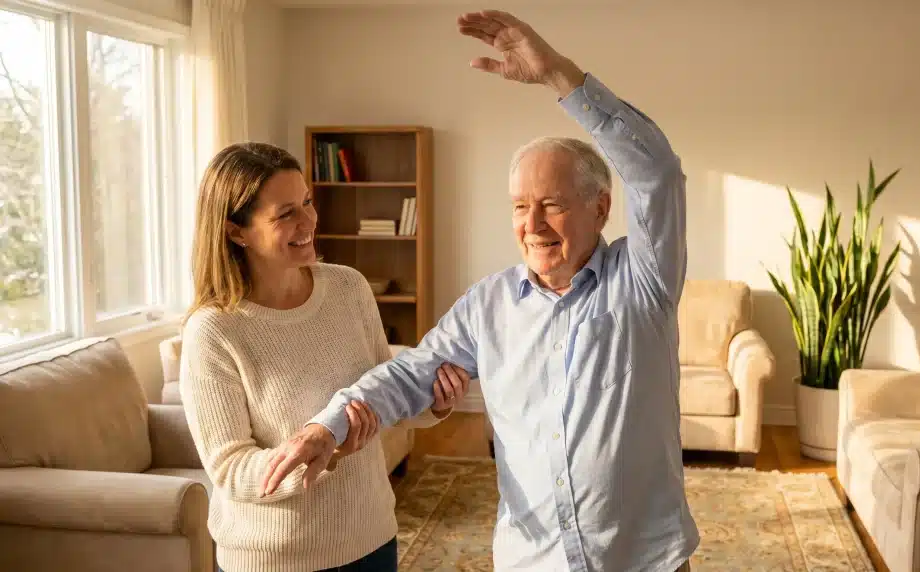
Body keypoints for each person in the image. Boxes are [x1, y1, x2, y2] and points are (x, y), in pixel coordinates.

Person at [262, 9, 700, 572]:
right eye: (521, 207)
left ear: (601, 208)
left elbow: (657, 172)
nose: (533, 225)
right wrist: (330, 424)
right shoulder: (490, 304)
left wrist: (558, 75)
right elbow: (411, 371)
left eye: (554, 205)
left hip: (640, 561)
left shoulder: (643, 282)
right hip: (531, 559)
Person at [178, 141, 471, 572]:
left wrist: (435, 404)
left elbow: (386, 395)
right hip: (274, 560)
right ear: (236, 231)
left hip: (371, 539)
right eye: (285, 213)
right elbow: (230, 469)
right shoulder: (214, 331)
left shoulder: (348, 288)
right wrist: (325, 452)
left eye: (308, 202)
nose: (309, 221)